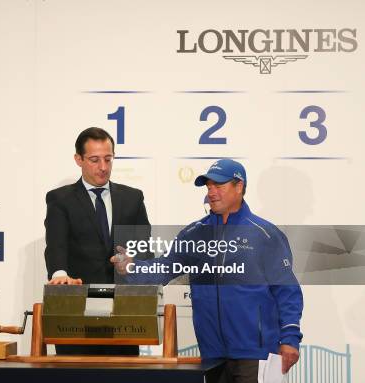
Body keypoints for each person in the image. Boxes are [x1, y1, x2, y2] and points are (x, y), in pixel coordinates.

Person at [112, 159, 303, 382]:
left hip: (256, 353)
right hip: (212, 353)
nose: (211, 192)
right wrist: (131, 267)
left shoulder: (265, 234)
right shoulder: (194, 234)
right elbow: (165, 267)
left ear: (239, 186)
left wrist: (290, 338)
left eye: (219, 186)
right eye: (209, 186)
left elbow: (287, 290)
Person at [44, 127, 150, 355]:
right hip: (75, 313)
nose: (103, 167)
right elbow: (56, 244)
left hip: (124, 314)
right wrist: (60, 275)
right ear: (78, 159)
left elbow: (145, 249)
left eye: (108, 159)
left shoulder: (133, 198)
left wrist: (134, 260)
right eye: (94, 160)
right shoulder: (60, 200)